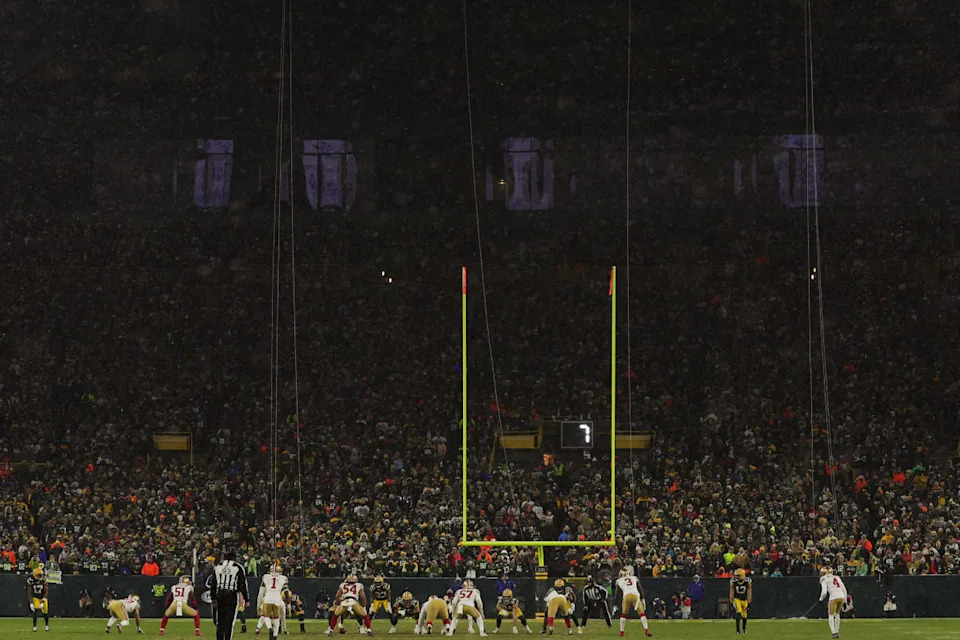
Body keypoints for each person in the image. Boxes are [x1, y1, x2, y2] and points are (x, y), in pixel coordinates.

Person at [212, 549, 250, 640]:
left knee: (220, 621)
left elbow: (213, 584)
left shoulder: (218, 566)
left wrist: (213, 598)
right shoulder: (238, 567)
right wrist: (246, 598)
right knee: (229, 621)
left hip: (220, 594)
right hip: (231, 595)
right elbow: (242, 585)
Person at [615, 568, 652, 638]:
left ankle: (621, 632)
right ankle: (646, 630)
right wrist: (643, 599)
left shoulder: (619, 580)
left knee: (623, 615)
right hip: (635, 596)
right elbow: (640, 589)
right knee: (642, 614)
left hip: (626, 597)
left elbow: (617, 594)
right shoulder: (634, 578)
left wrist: (615, 604)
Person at [258, 563, 288, 640]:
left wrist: (258, 605)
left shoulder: (265, 577)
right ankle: (275, 635)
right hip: (278, 599)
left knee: (266, 616)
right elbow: (286, 591)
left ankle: (270, 628)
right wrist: (287, 600)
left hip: (267, 598)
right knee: (276, 617)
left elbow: (261, 593)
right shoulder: (283, 578)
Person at [819, 567, 848, 640]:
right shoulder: (837, 577)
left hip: (833, 597)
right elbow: (844, 589)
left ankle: (834, 633)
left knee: (831, 615)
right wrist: (845, 601)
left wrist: (820, 599)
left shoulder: (824, 579)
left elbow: (824, 592)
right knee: (837, 614)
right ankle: (836, 631)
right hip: (841, 596)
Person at [27, 566, 50, 632]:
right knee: (35, 611)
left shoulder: (43, 580)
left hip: (43, 596)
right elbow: (30, 592)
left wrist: (43, 601)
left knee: (45, 612)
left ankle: (47, 625)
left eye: (40, 575)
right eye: (38, 575)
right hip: (35, 597)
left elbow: (46, 591)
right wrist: (31, 603)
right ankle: (34, 626)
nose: (40, 576)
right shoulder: (30, 580)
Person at [729, 568, 752, 634]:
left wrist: (749, 603)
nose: (736, 577)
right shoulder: (733, 581)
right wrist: (731, 603)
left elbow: (749, 592)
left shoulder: (747, 581)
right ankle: (738, 630)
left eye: (738, 575)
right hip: (737, 599)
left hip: (744, 599)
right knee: (738, 612)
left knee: (745, 615)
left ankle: (744, 628)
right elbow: (731, 592)